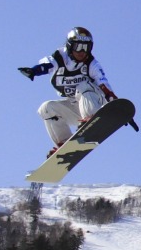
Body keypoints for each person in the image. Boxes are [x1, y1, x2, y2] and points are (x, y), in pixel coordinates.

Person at [18, 26, 118, 154]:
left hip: (94, 103)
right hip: (77, 108)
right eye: (78, 47)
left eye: (86, 48)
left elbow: (103, 83)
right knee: (46, 108)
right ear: (70, 46)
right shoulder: (60, 57)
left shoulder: (91, 64)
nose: (82, 52)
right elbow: (47, 65)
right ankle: (64, 144)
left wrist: (116, 106)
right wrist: (33, 71)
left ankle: (92, 120)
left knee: (82, 85)